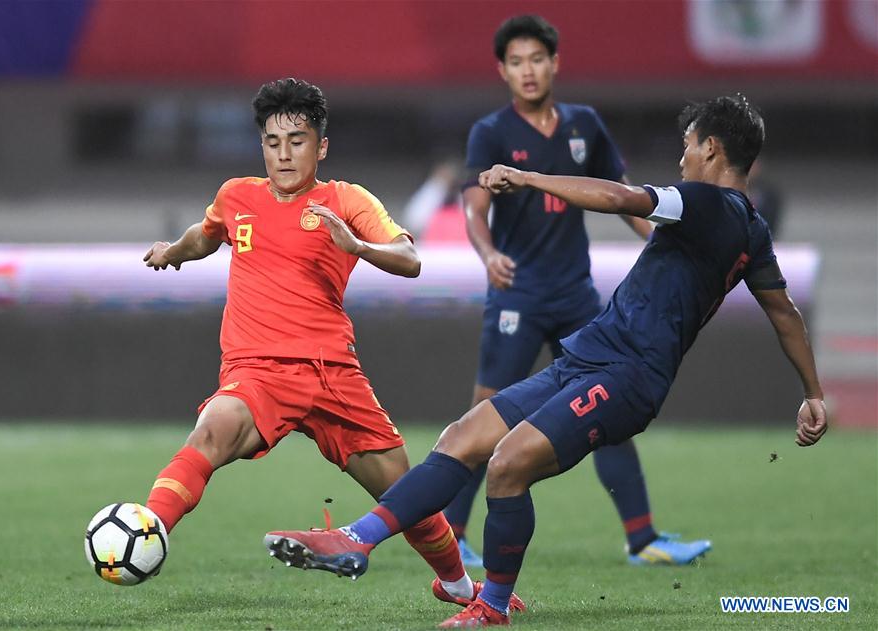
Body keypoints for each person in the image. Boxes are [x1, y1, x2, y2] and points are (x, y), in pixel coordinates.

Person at [263, 94, 828, 628]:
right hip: (592, 356)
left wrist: (528, 177)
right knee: (463, 436)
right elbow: (784, 313)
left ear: (710, 149)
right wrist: (813, 393)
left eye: (687, 144)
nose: (682, 157)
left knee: (508, 465)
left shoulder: (707, 201)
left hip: (627, 375)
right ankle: (357, 541)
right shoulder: (752, 227)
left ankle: (494, 607)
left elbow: (622, 198)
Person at [141, 78, 523, 612]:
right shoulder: (237, 196)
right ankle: (147, 527)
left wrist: (356, 245)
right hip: (257, 371)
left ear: (321, 146)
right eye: (273, 143)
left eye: (297, 141)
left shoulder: (346, 200)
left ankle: (458, 587)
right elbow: (206, 235)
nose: (284, 154)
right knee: (213, 430)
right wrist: (174, 252)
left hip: (332, 375)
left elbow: (410, 260)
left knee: (407, 496)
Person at [448, 14, 709, 567]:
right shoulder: (490, 132)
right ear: (502, 70)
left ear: (554, 63)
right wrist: (488, 252)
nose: (528, 70)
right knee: (484, 416)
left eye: (537, 59)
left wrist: (666, 246)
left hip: (577, 298)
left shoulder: (585, 125)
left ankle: (643, 540)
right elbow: (474, 209)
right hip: (517, 294)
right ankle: (451, 534)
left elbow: (626, 198)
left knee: (608, 409)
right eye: (516, 62)